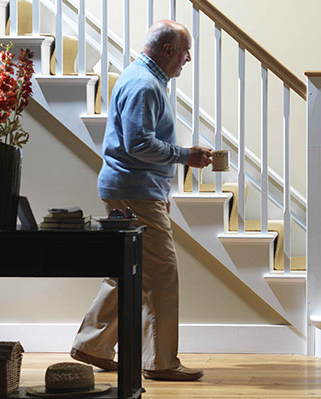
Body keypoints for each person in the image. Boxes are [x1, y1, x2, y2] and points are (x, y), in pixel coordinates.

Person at [70, 20, 212, 381]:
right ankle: (160, 362)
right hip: (133, 190)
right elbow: (138, 144)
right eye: (184, 51)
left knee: (127, 269)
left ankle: (92, 344)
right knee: (161, 275)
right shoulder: (144, 85)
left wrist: (160, 191)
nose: (188, 58)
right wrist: (186, 156)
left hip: (135, 189)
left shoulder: (142, 80)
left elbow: (135, 146)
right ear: (167, 51)